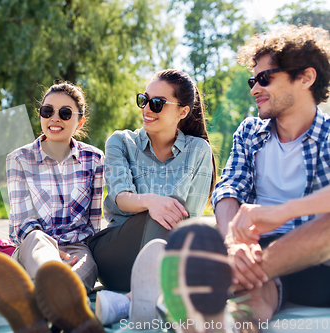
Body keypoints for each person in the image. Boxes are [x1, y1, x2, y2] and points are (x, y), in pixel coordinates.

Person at [211, 25, 330, 325]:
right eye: (253, 80)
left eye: (265, 78)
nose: (253, 90)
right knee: (248, 306)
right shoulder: (249, 132)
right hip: (258, 255)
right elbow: (228, 191)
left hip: (320, 264)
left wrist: (279, 213)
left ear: (306, 77)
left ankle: (214, 279)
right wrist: (232, 244)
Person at [89, 69, 216, 325]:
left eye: (157, 103)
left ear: (182, 111)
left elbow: (187, 221)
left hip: (170, 254)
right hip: (115, 254)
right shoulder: (121, 142)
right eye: (143, 99)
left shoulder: (198, 151)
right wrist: (151, 201)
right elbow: (121, 197)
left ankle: (132, 301)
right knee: (166, 210)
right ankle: (149, 298)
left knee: (178, 219)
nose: (147, 108)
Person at [0, 82, 105, 332]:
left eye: (65, 113)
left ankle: (38, 314)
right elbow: (23, 223)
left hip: (77, 248)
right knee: (37, 241)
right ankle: (54, 287)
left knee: (78, 276)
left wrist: (77, 254)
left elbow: (93, 223)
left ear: (79, 122)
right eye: (47, 111)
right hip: (32, 246)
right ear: (40, 116)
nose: (54, 118)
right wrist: (53, 256)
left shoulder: (95, 159)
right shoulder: (18, 158)